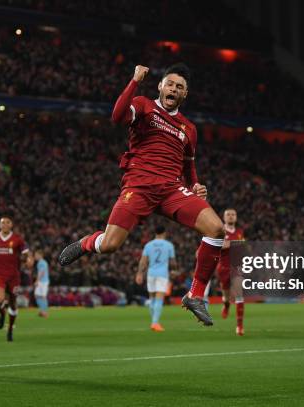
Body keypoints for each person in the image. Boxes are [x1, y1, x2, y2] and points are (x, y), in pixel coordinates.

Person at [59, 63, 225, 326]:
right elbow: (117, 116)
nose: (173, 88)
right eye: (170, 83)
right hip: (138, 186)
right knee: (111, 245)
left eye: (179, 87)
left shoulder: (189, 129)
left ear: (185, 94)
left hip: (172, 189)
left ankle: (195, 295)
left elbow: (189, 165)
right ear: (160, 86)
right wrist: (134, 80)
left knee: (217, 229)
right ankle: (87, 243)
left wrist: (195, 185)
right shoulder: (144, 105)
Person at [0, 216, 30, 341]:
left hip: (14, 276)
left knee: (13, 303)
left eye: (7, 222)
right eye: (2, 222)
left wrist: (28, 260)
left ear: (11, 225)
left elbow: (26, 254)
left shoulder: (17, 240)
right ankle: (2, 315)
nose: (4, 224)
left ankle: (10, 329)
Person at [135, 225, 177, 331]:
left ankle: (154, 321)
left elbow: (143, 261)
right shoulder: (168, 245)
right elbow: (172, 262)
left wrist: (139, 273)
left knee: (152, 298)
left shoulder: (149, 245)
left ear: (155, 233)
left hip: (151, 273)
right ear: (164, 233)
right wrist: (174, 270)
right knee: (159, 299)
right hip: (162, 274)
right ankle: (155, 323)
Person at [215, 209, 246, 335]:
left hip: (237, 268)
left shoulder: (240, 232)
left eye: (233, 214)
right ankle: (226, 305)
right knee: (227, 297)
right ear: (224, 217)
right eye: (228, 214)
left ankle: (239, 326)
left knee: (239, 295)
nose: (231, 216)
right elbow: (218, 246)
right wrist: (234, 243)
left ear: (236, 217)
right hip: (223, 268)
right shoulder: (220, 231)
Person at [33, 249, 50, 318]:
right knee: (37, 295)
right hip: (42, 281)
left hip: (43, 282)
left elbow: (42, 272)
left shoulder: (41, 263)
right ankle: (42, 311)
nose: (35, 256)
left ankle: (45, 312)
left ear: (40, 255)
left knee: (43, 297)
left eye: (36, 255)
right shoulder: (42, 262)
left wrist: (37, 280)